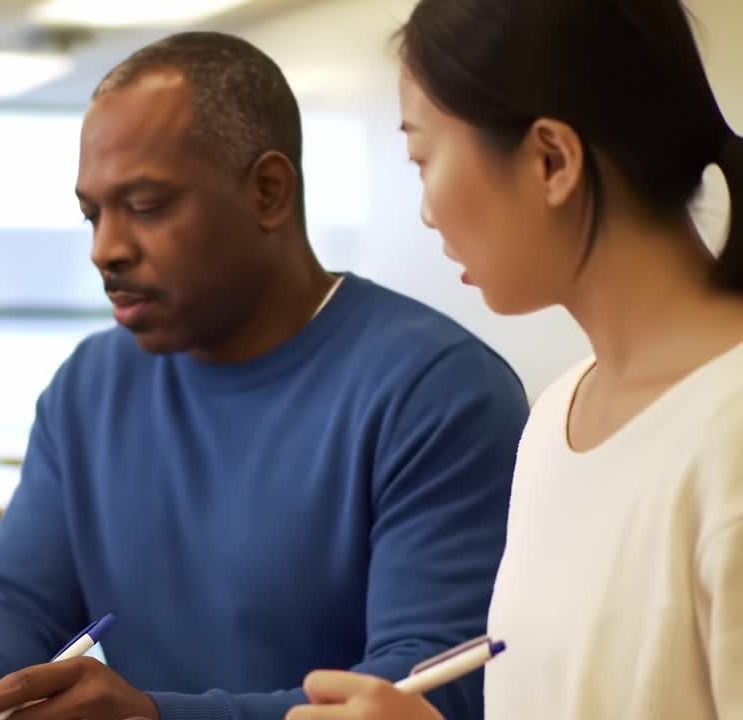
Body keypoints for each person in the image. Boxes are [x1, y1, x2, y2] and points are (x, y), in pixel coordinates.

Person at [0, 32, 529, 720]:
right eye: (92, 214)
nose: (105, 249)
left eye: (145, 206)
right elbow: (16, 599)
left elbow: (426, 687)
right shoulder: (89, 387)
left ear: (268, 192)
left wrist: (158, 716)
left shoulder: (438, 392)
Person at [289, 1, 743, 719]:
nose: (427, 212)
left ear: (551, 161)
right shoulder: (557, 418)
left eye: (423, 157)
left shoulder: (728, 437)